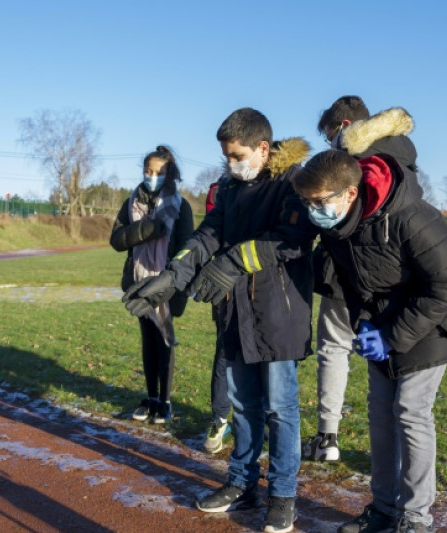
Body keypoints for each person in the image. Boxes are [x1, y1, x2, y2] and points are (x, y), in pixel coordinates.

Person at [123, 108, 314, 533]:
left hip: (279, 313)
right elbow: (209, 232)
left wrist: (232, 261)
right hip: (233, 311)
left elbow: (293, 238)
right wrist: (172, 276)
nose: (230, 163)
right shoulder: (229, 186)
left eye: (236, 155)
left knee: (281, 409)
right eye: (226, 156)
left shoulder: (293, 182)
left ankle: (283, 494)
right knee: (243, 406)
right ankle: (242, 483)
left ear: (263, 149)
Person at [292, 149, 447, 533]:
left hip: (431, 326)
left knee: (410, 412)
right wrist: (367, 326)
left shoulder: (411, 218)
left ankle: (417, 520)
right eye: (307, 203)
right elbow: (354, 286)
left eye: (319, 202)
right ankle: (385, 509)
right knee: (380, 415)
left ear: (349, 194)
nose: (313, 211)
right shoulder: (337, 227)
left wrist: (393, 335)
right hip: (382, 325)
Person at [303, 96, 422, 462]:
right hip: (398, 273)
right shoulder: (405, 156)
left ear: (342, 127)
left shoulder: (352, 159)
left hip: (350, 269)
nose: (330, 147)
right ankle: (399, 452)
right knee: (395, 359)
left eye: (329, 138)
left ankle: (328, 437)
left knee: (334, 349)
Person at [110, 145, 194, 424]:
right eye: (148, 171)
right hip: (138, 280)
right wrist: (145, 229)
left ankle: (166, 402)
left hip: (166, 283)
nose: (152, 176)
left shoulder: (181, 206)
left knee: (165, 339)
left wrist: (174, 283)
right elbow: (117, 240)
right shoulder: (131, 202)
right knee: (148, 339)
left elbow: (187, 248)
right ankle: (151, 397)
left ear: (170, 174)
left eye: (159, 172)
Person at [201, 177, 233, 454]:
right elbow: (212, 235)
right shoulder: (219, 189)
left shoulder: (278, 186)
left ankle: (270, 419)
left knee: (268, 359)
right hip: (225, 287)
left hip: (267, 289)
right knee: (224, 352)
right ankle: (220, 419)